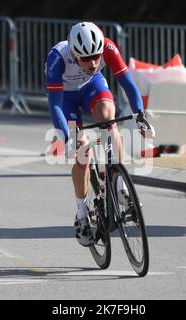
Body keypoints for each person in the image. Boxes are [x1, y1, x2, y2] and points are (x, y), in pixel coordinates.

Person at [45, 21, 154, 246]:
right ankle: (82, 213)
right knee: (82, 153)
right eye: (86, 59)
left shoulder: (108, 48)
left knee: (108, 117)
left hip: (91, 87)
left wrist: (140, 115)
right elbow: (55, 105)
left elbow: (128, 84)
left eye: (96, 56)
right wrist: (67, 137)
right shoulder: (57, 58)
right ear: (74, 54)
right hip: (65, 100)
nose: (93, 62)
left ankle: (119, 184)